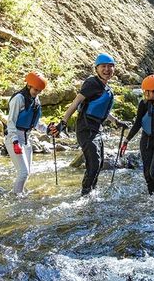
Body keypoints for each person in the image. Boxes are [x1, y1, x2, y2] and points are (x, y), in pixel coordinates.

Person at [49, 53, 129, 195]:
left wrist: (116, 122)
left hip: (96, 129)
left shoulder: (106, 88)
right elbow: (76, 103)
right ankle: (85, 195)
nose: (107, 69)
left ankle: (92, 192)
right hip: (85, 128)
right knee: (94, 163)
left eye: (110, 66)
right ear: (96, 69)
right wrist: (63, 123)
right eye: (103, 66)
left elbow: (102, 110)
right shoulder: (92, 83)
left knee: (98, 163)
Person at [5, 71, 51, 196]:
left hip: (27, 138)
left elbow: (34, 121)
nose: (37, 92)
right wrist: (15, 141)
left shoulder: (35, 99)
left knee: (27, 172)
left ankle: (18, 193)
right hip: (14, 138)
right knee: (23, 173)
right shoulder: (18, 99)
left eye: (39, 91)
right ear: (29, 85)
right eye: (35, 89)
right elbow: (11, 122)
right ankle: (16, 197)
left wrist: (47, 129)